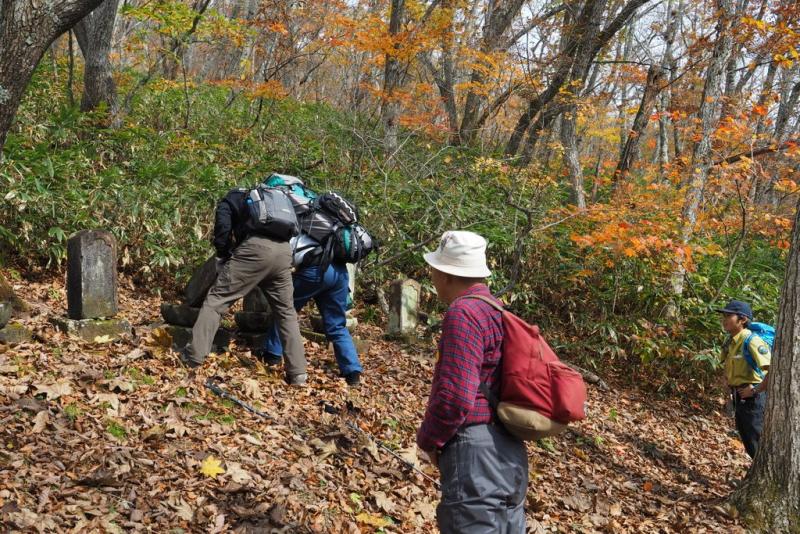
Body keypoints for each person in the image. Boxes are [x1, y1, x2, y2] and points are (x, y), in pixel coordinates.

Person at [416, 230, 528, 533]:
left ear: (447, 274)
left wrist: (428, 439)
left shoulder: (463, 313)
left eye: (435, 270)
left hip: (475, 454)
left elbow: (455, 396)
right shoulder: (496, 309)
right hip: (509, 450)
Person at [179, 186, 308, 386]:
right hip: (284, 252)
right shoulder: (271, 202)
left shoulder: (230, 199)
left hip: (255, 249)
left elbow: (222, 227)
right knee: (286, 313)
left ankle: (194, 357)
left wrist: (223, 255)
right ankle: (298, 373)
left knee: (217, 300)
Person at [257, 261, 363, 386]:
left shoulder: (314, 240)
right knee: (337, 325)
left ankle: (272, 355)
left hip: (315, 270)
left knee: (285, 312)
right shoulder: (335, 242)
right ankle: (353, 373)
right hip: (339, 274)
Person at [715, 299, 770, 459]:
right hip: (739, 396)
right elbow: (726, 366)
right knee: (747, 439)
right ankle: (757, 475)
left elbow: (772, 369)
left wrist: (754, 390)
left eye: (729, 316)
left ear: (743, 319)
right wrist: (728, 390)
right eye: (723, 316)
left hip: (754, 399)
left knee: (755, 439)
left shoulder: (752, 341)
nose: (724, 320)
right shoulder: (730, 342)